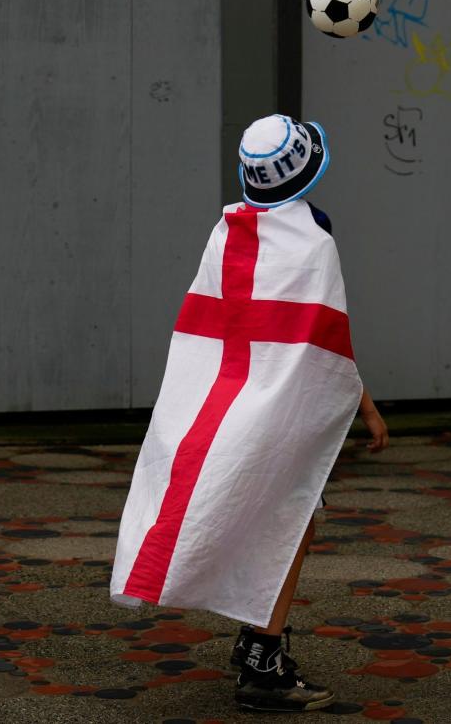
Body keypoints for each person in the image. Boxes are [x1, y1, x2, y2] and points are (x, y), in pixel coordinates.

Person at [110, 114, 388, 712]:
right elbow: (323, 341)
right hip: (279, 409)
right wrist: (360, 401)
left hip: (227, 402)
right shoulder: (316, 240)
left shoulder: (226, 231)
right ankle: (265, 660)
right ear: (308, 171)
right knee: (290, 521)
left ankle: (259, 635)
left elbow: (218, 328)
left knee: (272, 516)